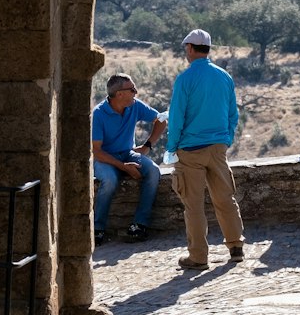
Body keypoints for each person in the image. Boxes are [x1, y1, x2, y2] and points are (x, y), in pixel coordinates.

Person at [166, 28, 245, 271]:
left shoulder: (185, 79)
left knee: (194, 205)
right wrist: (226, 138)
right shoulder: (224, 76)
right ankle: (236, 247)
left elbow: (177, 117)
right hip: (218, 147)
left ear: (190, 48)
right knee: (225, 198)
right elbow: (233, 113)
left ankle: (198, 257)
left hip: (190, 149)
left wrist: (172, 147)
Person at [91, 73, 167, 247]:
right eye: (132, 89)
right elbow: (96, 151)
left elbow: (161, 120)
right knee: (109, 180)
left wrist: (148, 145)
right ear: (119, 94)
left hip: (127, 153)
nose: (136, 92)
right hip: (104, 158)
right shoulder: (99, 114)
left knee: (153, 171)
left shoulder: (135, 106)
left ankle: (139, 225)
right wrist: (124, 167)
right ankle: (97, 229)